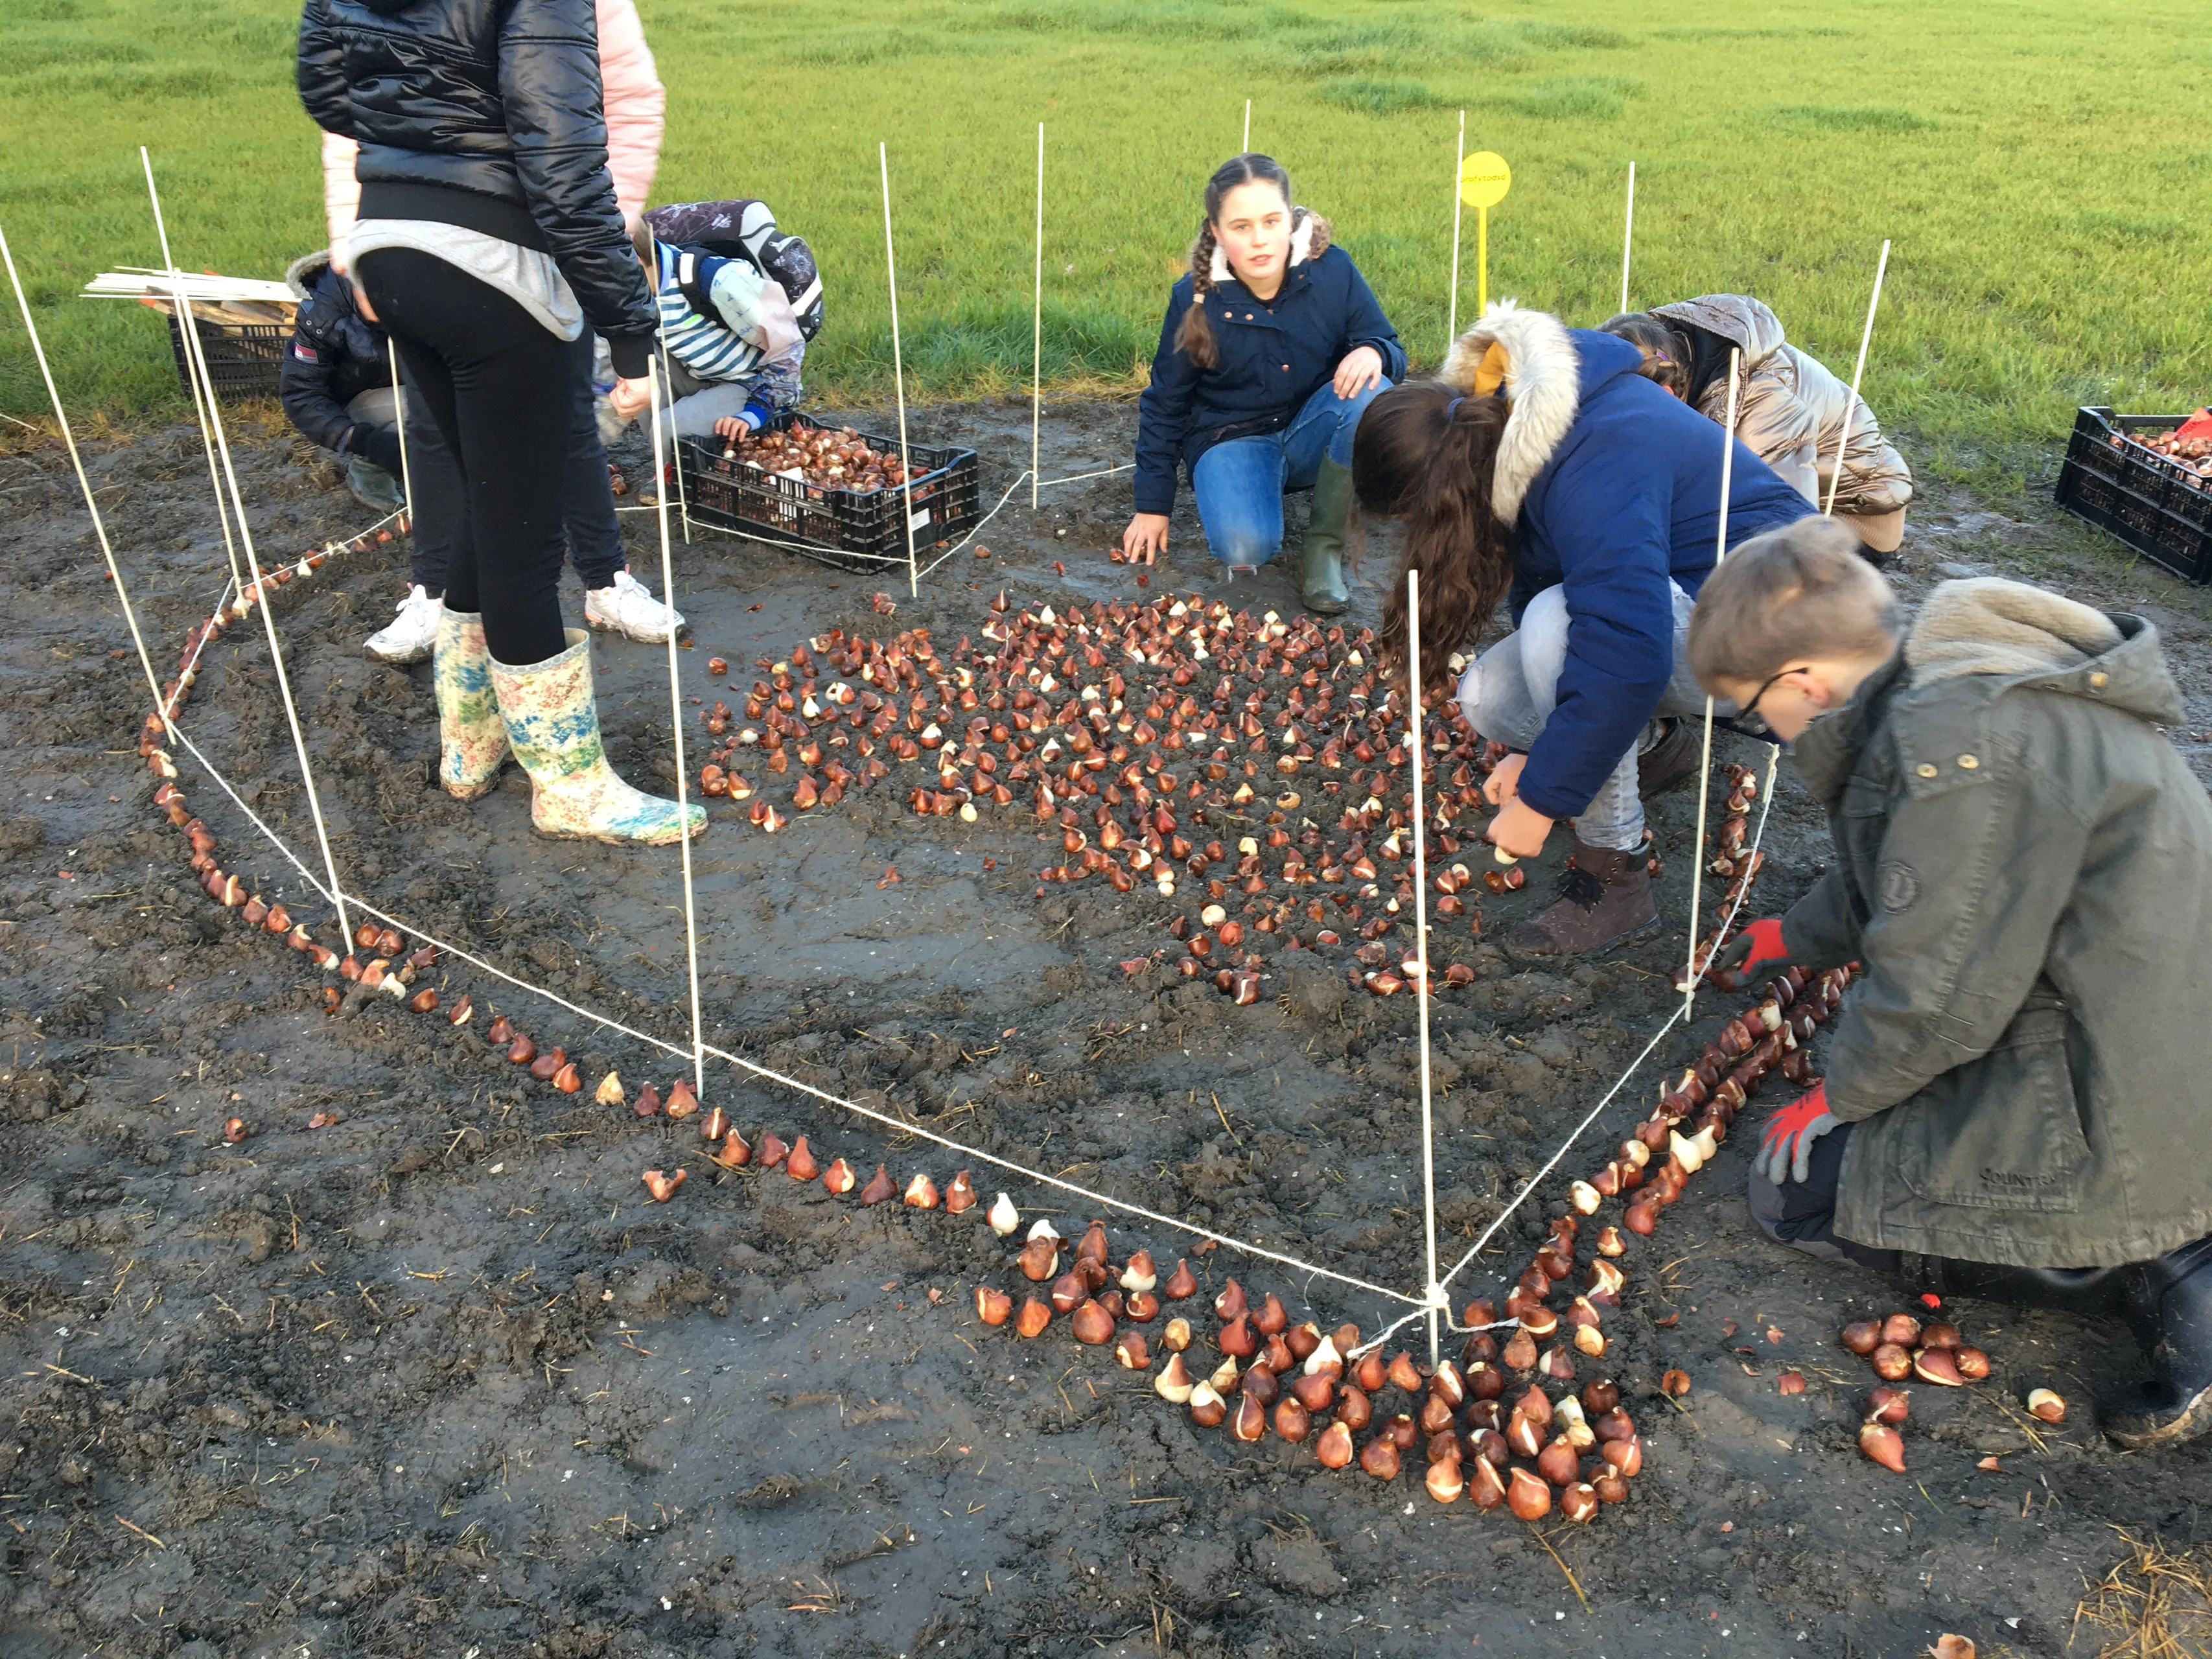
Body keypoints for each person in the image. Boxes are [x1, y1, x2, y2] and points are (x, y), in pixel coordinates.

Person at [1690, 517, 2212, 1448]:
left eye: (1751, 709)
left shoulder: (1961, 749)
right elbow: (1905, 881)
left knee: (1795, 1193)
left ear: (1802, 683)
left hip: (2113, 1083)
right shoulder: (1944, 691)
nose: (1759, 731)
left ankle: (2162, 1258)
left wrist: (1836, 1097)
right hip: (2143, 1033)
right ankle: (2147, 1222)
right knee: (1852, 1141)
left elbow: (1941, 990)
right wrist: (1786, 933)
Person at [298, 0, 702, 846]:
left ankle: (471, 744)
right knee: (524, 537)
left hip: (392, 245)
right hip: (496, 263)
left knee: (487, 500)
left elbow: (326, 89)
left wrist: (422, 142)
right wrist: (630, 331)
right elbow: (563, 161)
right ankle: (569, 786)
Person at [1349, 301, 1814, 956]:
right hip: (1681, 603)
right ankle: (1653, 746)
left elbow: (1622, 649)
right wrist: (1539, 750)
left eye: (1412, 521)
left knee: (1557, 628)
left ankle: (1613, 875)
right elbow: (1576, 592)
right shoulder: (1515, 434)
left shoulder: (1594, 452)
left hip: (1788, 634)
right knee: (1491, 696)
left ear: (1443, 491)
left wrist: (1540, 802)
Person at [1121, 154, 1405, 615]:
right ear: (1216, 231)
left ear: (1289, 219)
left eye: (1270, 221)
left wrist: (1372, 351)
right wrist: (1152, 506)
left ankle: (1323, 548)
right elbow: (1164, 403)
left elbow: (1389, 346)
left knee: (1371, 394)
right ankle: (1249, 495)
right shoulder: (1193, 300)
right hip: (1231, 438)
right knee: (1244, 550)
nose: (1258, 240)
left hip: (1315, 427)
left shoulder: (1332, 270)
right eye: (1240, 227)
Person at [1601, 297, 1914, 557]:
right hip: (1792, 499)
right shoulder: (1673, 354)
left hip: (1852, 514)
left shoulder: (1761, 406)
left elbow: (1786, 523)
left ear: (1666, 393)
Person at [600, 199, 821, 447]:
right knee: (638, 374)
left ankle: (676, 478)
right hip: (696, 371)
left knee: (668, 426)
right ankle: (669, 464)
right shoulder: (633, 293)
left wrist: (756, 411)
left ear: (636, 262)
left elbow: (788, 344)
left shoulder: (720, 280)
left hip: (747, 383)